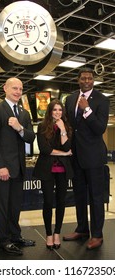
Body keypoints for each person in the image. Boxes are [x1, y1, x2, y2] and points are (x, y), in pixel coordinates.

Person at [0, 77, 35, 255]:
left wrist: (20, 127)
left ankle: (15, 236)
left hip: (19, 169)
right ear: (5, 88)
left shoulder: (24, 113)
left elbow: (30, 137)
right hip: (2, 170)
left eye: (20, 89)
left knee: (15, 206)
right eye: (14, 88)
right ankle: (3, 240)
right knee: (2, 207)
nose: (18, 91)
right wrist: (0, 166)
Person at [63, 67, 110, 250]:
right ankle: (82, 229)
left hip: (94, 158)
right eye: (83, 78)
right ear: (78, 80)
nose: (87, 81)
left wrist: (87, 110)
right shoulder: (71, 98)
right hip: (76, 157)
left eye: (90, 78)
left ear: (93, 80)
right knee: (79, 195)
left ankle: (97, 235)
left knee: (96, 197)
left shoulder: (102, 100)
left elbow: (99, 129)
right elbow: (71, 126)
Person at [33, 99, 73, 249]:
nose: (58, 112)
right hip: (47, 170)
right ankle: (48, 234)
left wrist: (62, 129)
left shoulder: (67, 126)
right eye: (55, 110)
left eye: (60, 110)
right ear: (50, 111)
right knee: (48, 202)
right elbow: (45, 149)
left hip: (62, 170)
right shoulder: (43, 126)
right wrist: (64, 154)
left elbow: (68, 145)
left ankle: (57, 233)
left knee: (61, 202)